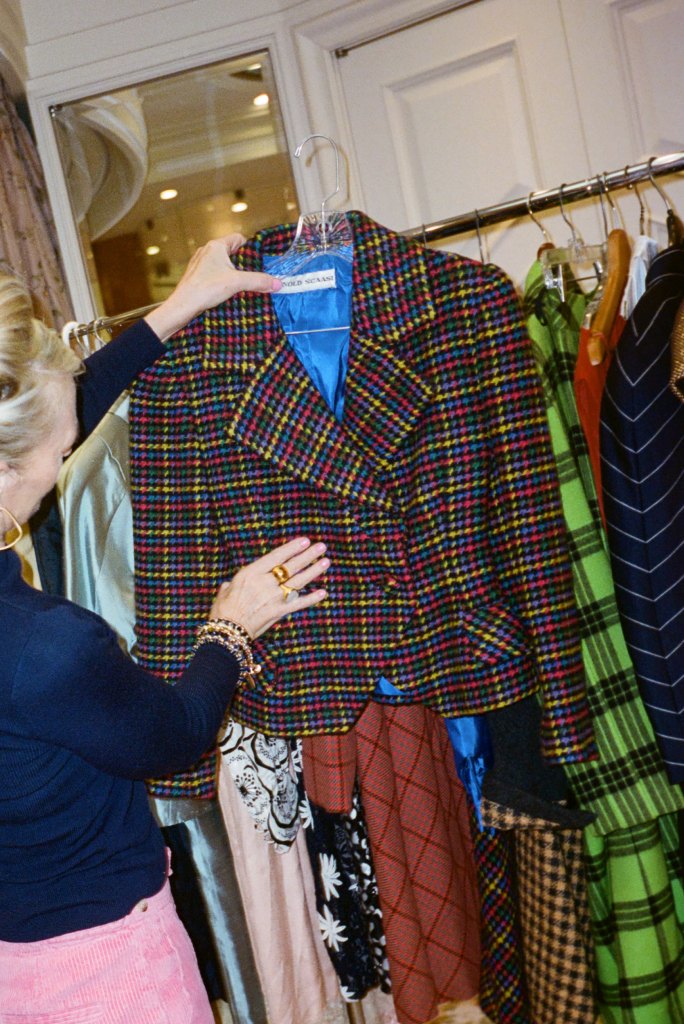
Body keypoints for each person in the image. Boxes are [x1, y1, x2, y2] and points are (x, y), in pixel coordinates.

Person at [0, 236, 330, 1023]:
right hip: (105, 971)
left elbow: (59, 405)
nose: (69, 446)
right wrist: (231, 625)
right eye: (59, 444)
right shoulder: (46, 649)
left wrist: (178, 308)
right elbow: (177, 733)